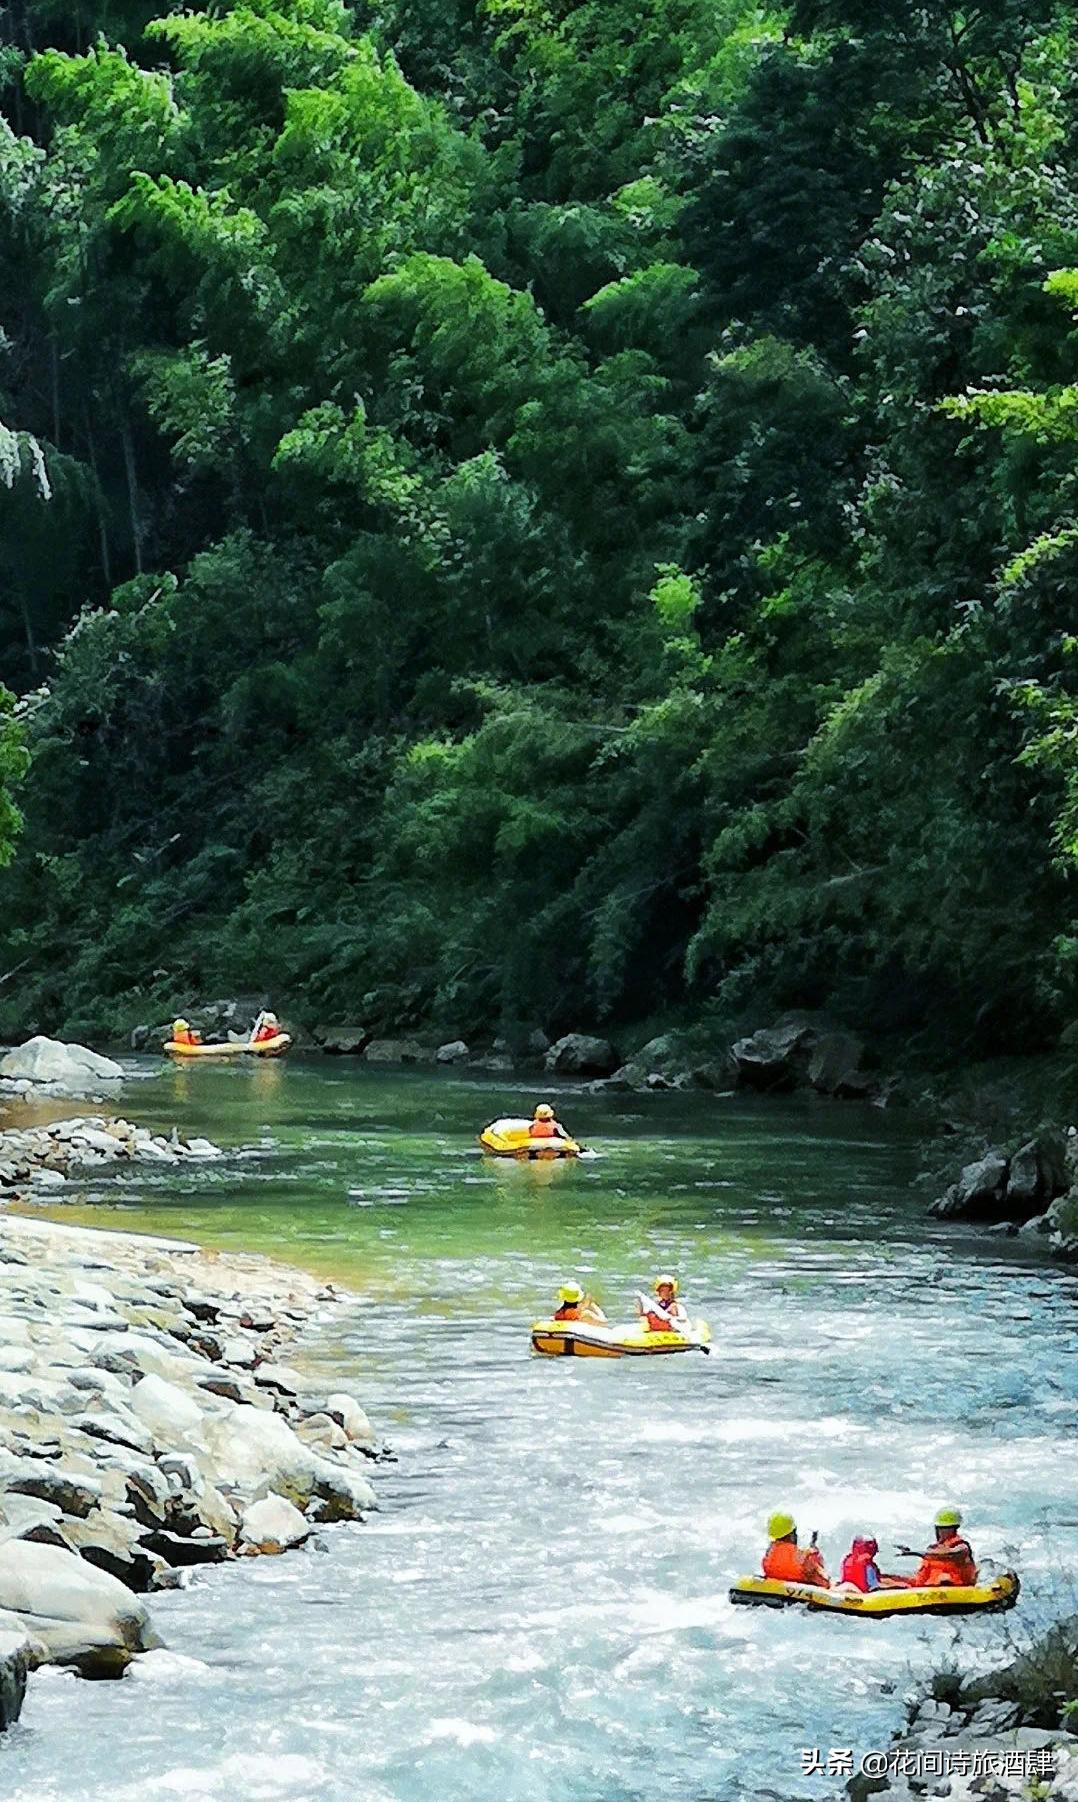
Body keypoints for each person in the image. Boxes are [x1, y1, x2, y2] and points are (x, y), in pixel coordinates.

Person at [896, 1507, 978, 1588]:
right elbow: (920, 1580)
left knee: (944, 1577)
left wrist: (913, 1552)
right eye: (939, 1528)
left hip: (956, 1588)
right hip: (927, 1588)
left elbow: (948, 1554)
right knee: (888, 1580)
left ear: (955, 1529)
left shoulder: (962, 1547)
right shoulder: (933, 1548)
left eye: (945, 1528)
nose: (940, 1532)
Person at [762, 1512, 829, 1588]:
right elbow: (825, 1583)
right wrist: (816, 1557)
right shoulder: (805, 1556)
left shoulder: (769, 1555)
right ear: (792, 1533)